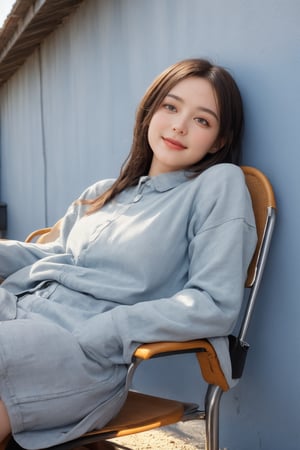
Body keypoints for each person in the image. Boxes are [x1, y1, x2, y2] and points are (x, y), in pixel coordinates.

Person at [0, 58, 257, 449]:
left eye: (202, 120)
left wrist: (106, 332)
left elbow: (213, 303)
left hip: (74, 351)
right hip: (18, 311)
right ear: (150, 110)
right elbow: (53, 256)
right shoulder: (103, 191)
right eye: (170, 107)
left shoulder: (216, 185)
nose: (178, 126)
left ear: (219, 140)